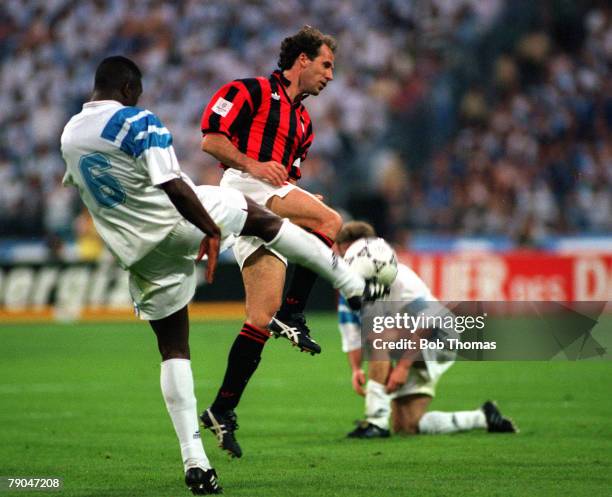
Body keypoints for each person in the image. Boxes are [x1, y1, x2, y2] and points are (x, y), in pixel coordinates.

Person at [60, 56, 373, 495]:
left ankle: (196, 463)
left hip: (140, 257)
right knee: (257, 217)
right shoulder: (137, 120)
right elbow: (172, 182)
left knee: (173, 349)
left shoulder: (70, 135)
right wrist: (209, 228)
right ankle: (351, 283)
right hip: (181, 220)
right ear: (130, 90)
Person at [200, 25, 340, 358]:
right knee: (330, 222)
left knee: (260, 319)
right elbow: (211, 141)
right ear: (303, 60)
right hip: (243, 185)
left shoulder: (305, 124)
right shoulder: (248, 90)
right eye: (326, 65)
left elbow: (284, 178)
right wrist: (254, 164)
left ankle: (222, 409)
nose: (331, 76)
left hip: (269, 200)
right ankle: (293, 313)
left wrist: (301, 197)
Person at [336, 221, 518, 438]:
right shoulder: (349, 285)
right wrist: (356, 368)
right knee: (406, 425)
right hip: (405, 340)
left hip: (438, 337)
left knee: (379, 334)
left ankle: (376, 422)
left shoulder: (399, 277)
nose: (349, 259)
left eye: (353, 252)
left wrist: (403, 367)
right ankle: (483, 417)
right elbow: (351, 332)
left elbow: (428, 321)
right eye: (344, 252)